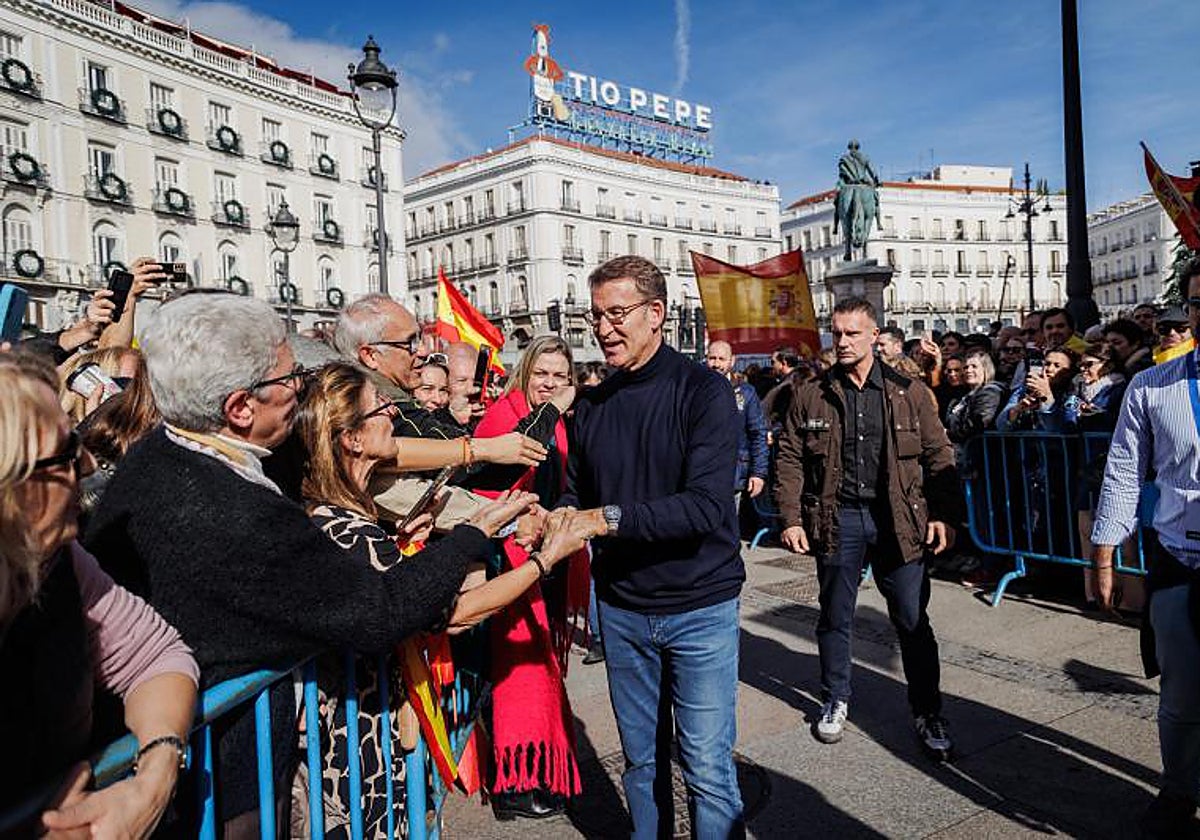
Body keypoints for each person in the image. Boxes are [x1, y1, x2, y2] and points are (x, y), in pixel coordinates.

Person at [84, 292, 535, 834]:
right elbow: (380, 612)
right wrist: (470, 535)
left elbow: (372, 447)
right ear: (240, 407)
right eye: (290, 377)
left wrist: (476, 452)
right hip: (220, 780)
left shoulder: (163, 452)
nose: (300, 387)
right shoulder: (238, 512)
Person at [294, 362, 583, 836]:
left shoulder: (351, 511)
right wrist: (543, 560)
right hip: (356, 747)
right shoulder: (345, 529)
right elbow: (452, 614)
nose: (395, 415)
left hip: (377, 729)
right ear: (353, 439)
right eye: (381, 409)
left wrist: (448, 535)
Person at [559, 255, 745, 838]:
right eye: (595, 317)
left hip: (701, 608)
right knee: (642, 763)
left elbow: (706, 507)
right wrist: (544, 519)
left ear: (656, 314)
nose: (603, 328)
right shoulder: (591, 405)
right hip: (623, 610)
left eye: (617, 314)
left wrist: (602, 520)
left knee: (708, 766)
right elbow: (573, 498)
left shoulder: (705, 393)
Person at [0, 354, 198, 834]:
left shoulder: (59, 563)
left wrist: (155, 774)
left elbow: (157, 655)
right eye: (67, 451)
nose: (88, 462)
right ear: (12, 483)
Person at [775, 297, 960, 760]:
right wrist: (791, 518)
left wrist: (943, 514)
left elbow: (940, 456)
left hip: (898, 519)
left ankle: (928, 709)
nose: (841, 341)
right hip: (839, 518)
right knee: (835, 616)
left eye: (852, 333)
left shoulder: (908, 390)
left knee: (913, 621)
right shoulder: (813, 392)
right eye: (836, 333)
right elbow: (791, 458)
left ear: (874, 336)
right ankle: (835, 697)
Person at [1090, 257, 1200, 838]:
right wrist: (1105, 550)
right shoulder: (1151, 386)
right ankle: (1179, 791)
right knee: (1180, 692)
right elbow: (1124, 471)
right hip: (1179, 557)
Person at [471, 336, 587, 821]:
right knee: (518, 672)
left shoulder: (558, 420)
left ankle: (529, 773)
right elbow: (512, 464)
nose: (551, 384)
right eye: (543, 373)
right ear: (525, 373)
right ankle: (514, 784)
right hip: (507, 558)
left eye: (561, 376)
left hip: (540, 554)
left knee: (538, 670)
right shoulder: (506, 415)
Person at [705, 340, 769, 508]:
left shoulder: (746, 393)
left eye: (721, 359)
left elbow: (758, 433)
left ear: (732, 361)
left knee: (728, 528)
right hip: (701, 474)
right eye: (712, 358)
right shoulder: (694, 388)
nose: (716, 364)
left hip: (734, 474)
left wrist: (758, 473)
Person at [997, 347, 1079, 432]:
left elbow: (1057, 429)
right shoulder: (1025, 389)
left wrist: (1047, 398)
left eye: (1057, 366)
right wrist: (1016, 410)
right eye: (1047, 364)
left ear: (1069, 372)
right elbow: (1001, 426)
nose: (1049, 369)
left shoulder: (1073, 394)